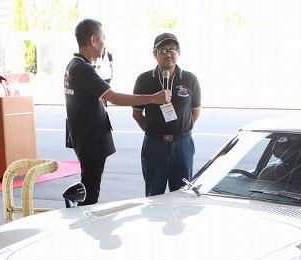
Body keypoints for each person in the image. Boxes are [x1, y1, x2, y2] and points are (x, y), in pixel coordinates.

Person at [65, 19, 170, 205]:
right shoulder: (82, 68)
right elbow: (114, 97)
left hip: (84, 137)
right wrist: (153, 98)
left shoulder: (74, 65)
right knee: (90, 194)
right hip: (90, 140)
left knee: (89, 186)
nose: (105, 42)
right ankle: (86, 227)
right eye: (103, 37)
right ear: (93, 39)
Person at [132, 33, 201, 197]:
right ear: (154, 53)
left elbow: (195, 111)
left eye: (172, 50)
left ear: (179, 53)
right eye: (163, 50)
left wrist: (180, 131)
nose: (168, 54)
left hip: (182, 145)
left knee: (183, 195)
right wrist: (154, 132)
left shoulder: (190, 79)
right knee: (154, 195)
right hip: (154, 146)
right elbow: (137, 114)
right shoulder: (144, 80)